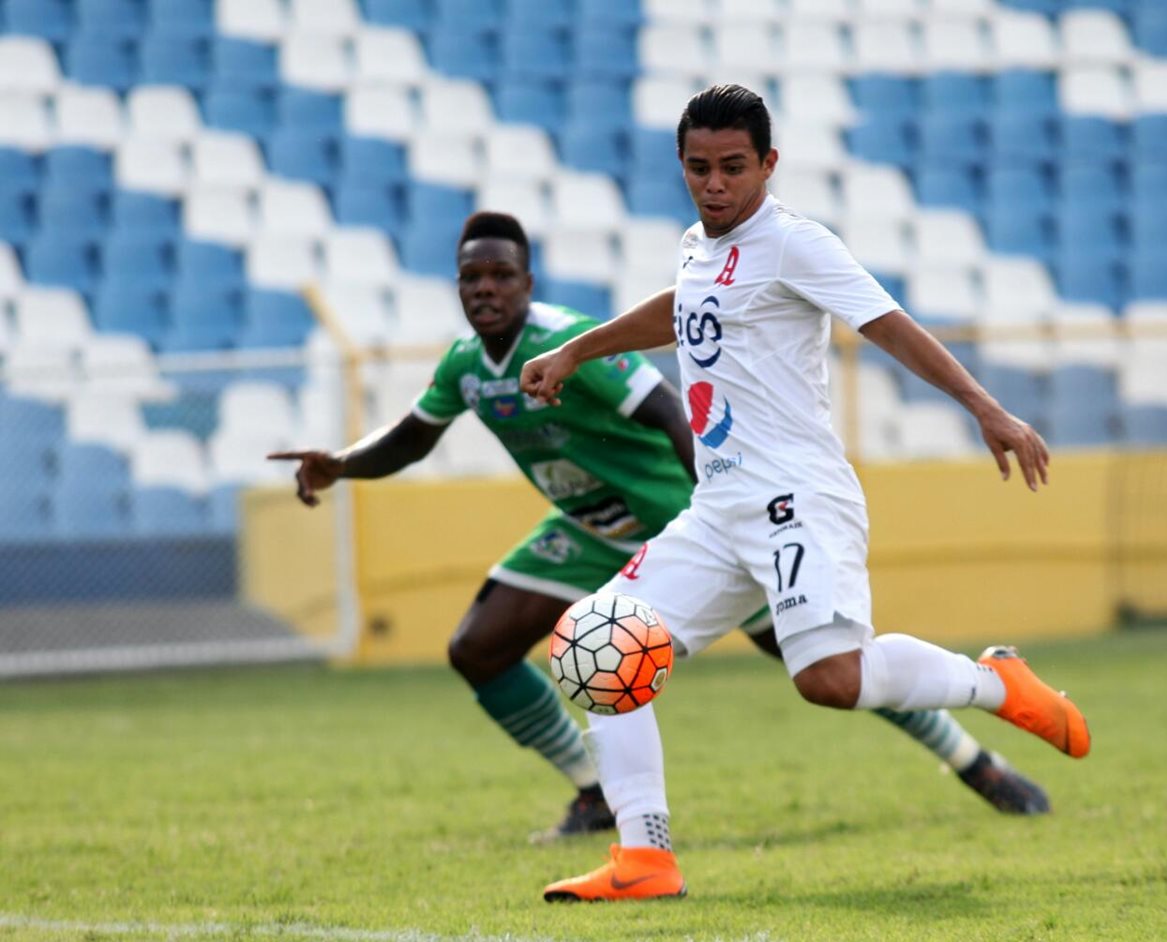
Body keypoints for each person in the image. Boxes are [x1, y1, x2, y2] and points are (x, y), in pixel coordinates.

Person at [270, 210, 1050, 848]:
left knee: (827, 666)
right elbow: (413, 436)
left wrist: (713, 509)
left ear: (527, 281)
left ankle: (972, 757)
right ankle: (601, 801)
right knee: (479, 646)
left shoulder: (567, 337)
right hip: (586, 530)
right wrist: (340, 463)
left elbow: (673, 409)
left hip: (687, 519)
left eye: (501, 275)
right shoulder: (465, 366)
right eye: (472, 278)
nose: (486, 290)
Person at [520, 85, 1090, 902]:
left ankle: (999, 684)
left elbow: (888, 322)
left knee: (828, 680)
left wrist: (985, 408)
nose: (714, 184)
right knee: (598, 645)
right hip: (718, 511)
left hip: (798, 495)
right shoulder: (697, 245)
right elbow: (681, 314)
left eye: (733, 168)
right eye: (697, 168)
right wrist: (579, 351)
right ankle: (644, 858)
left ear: (769, 164)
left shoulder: (796, 244)